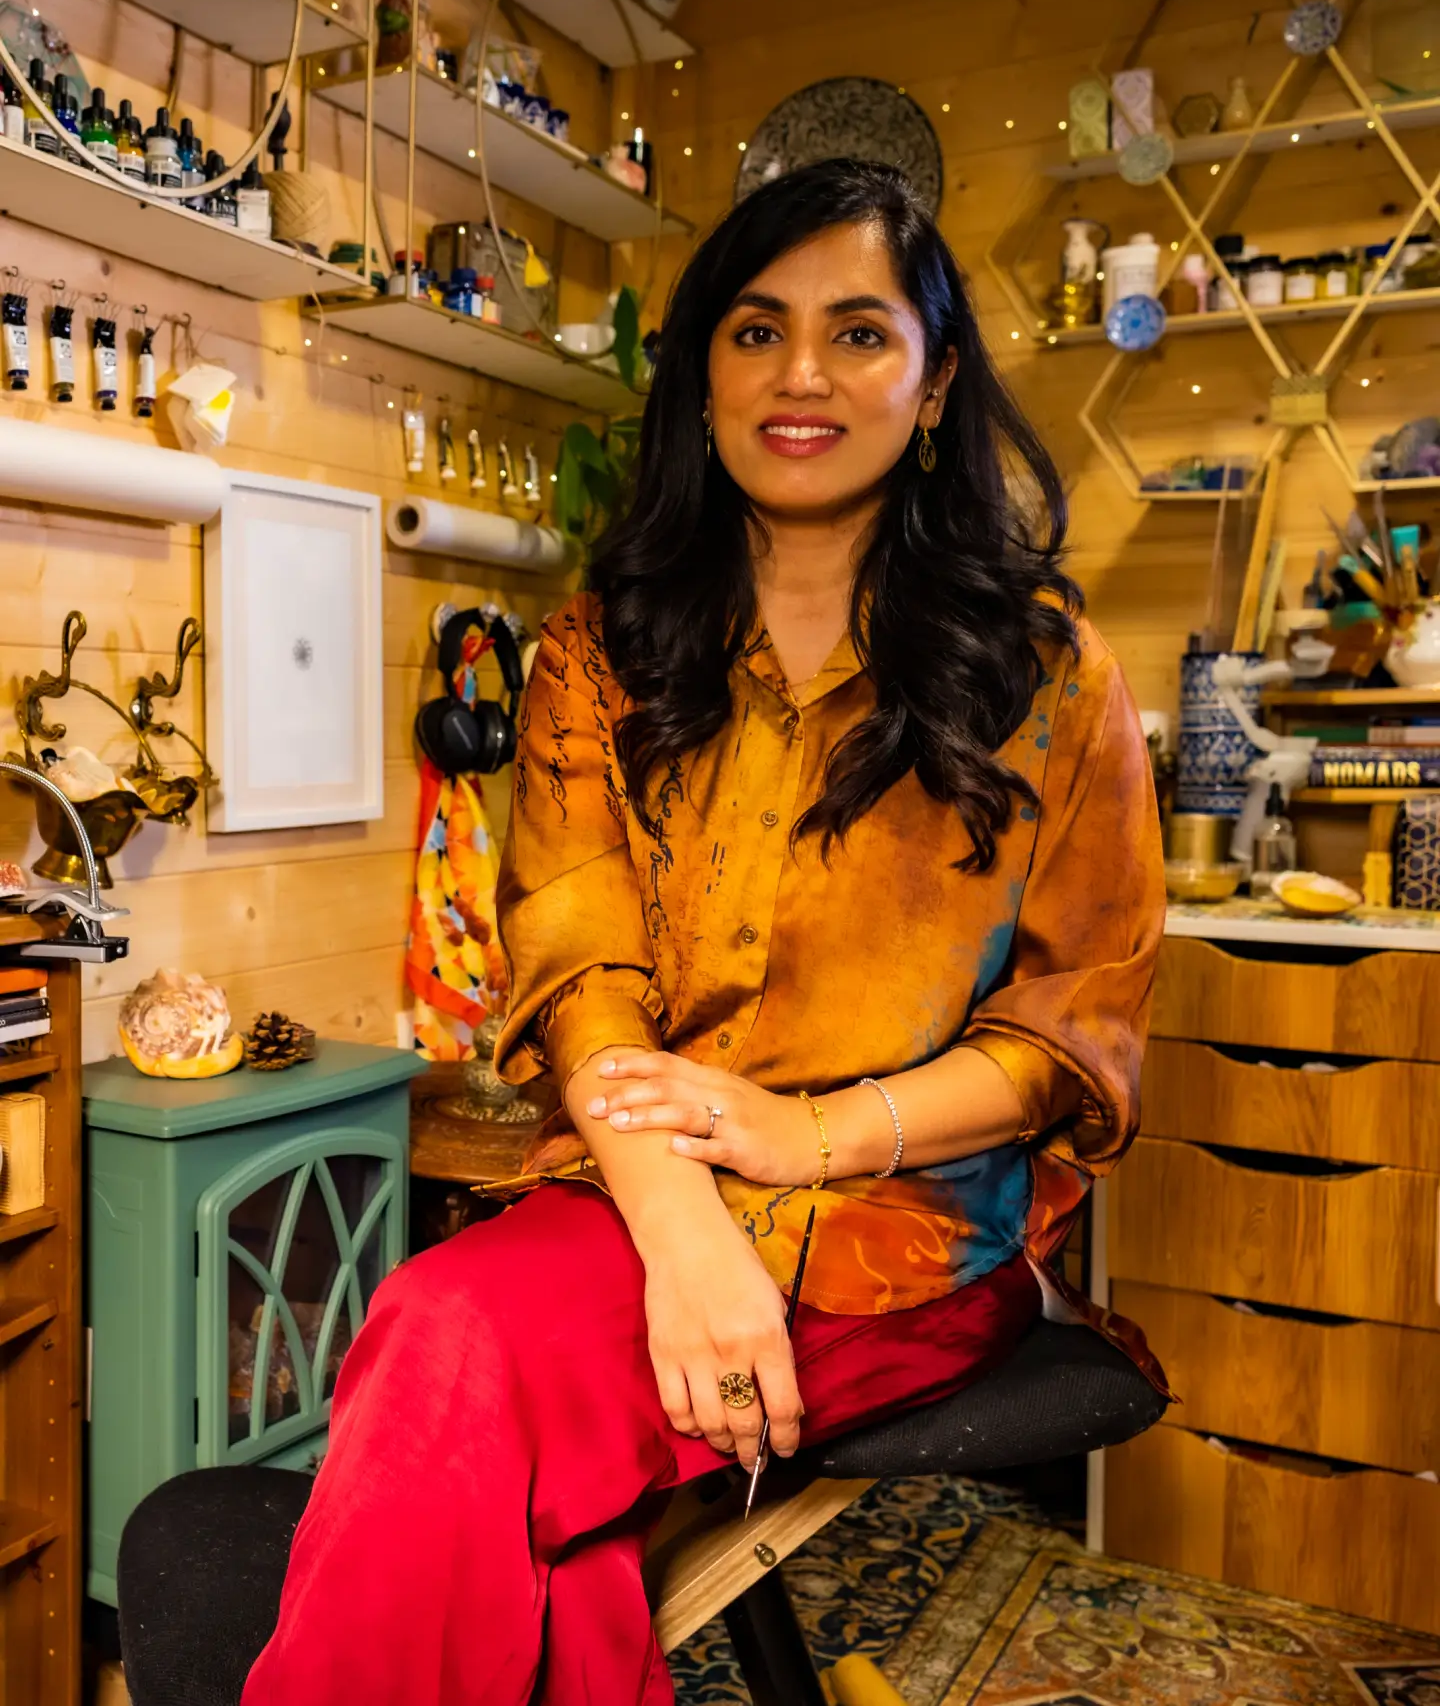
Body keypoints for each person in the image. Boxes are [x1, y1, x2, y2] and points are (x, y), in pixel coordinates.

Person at [243, 158, 1166, 1706]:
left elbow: (1070, 1034)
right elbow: (580, 965)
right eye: (756, 329)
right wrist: (687, 1239)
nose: (801, 373)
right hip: (636, 1200)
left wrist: (804, 1145)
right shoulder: (600, 650)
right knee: (528, 1489)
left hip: (906, 1232)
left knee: (453, 1362)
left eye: (859, 332)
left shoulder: (1055, 673)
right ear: (703, 375)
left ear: (935, 386)